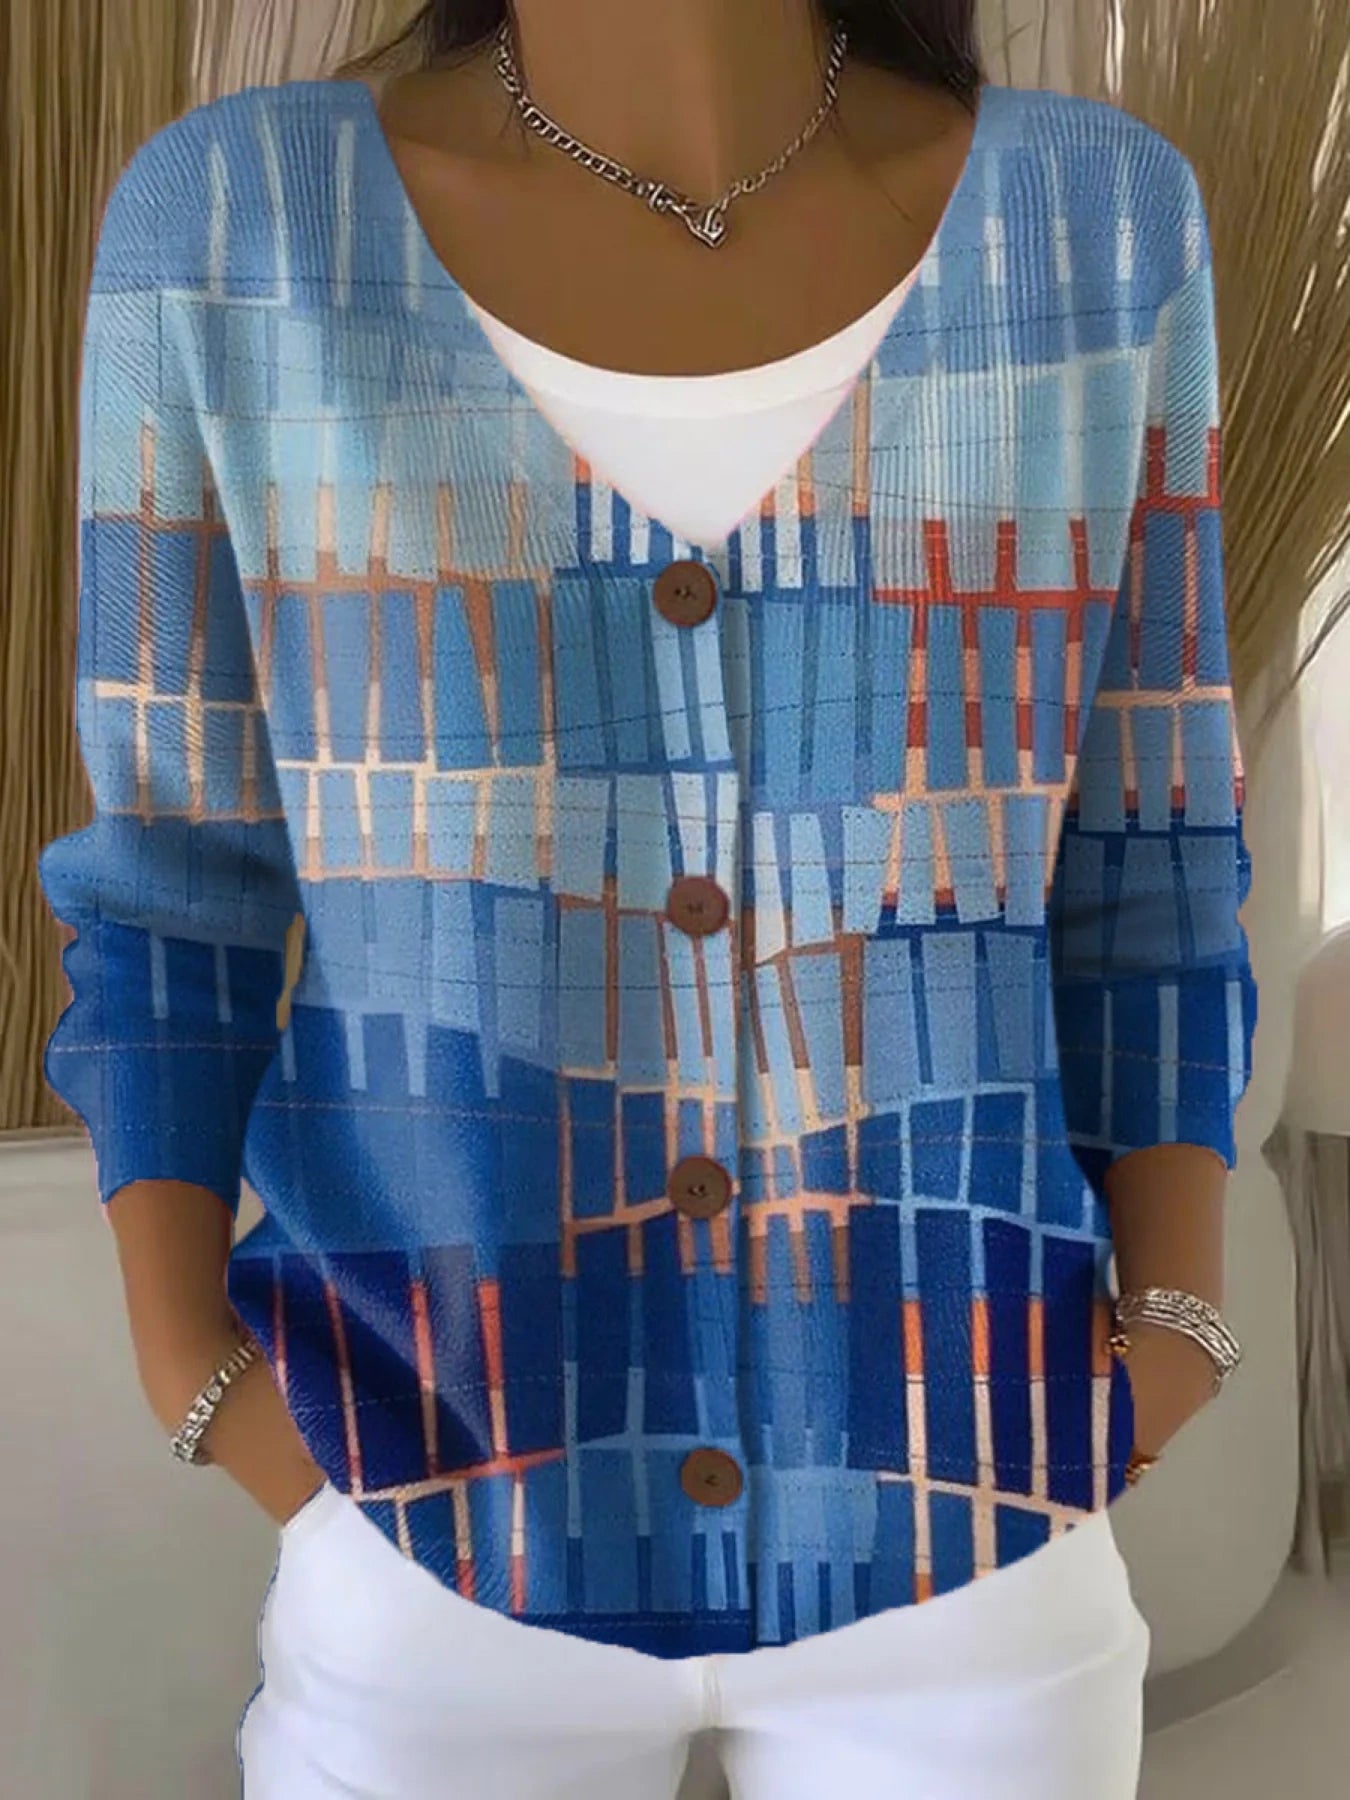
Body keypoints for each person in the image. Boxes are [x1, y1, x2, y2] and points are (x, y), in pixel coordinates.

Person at [39, 1, 1257, 1795]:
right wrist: (201, 1382)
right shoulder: (236, 232)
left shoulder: (1094, 228)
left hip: (979, 1548)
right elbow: (171, 887)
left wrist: (1173, 1338)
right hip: (421, 1539)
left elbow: (1149, 857)